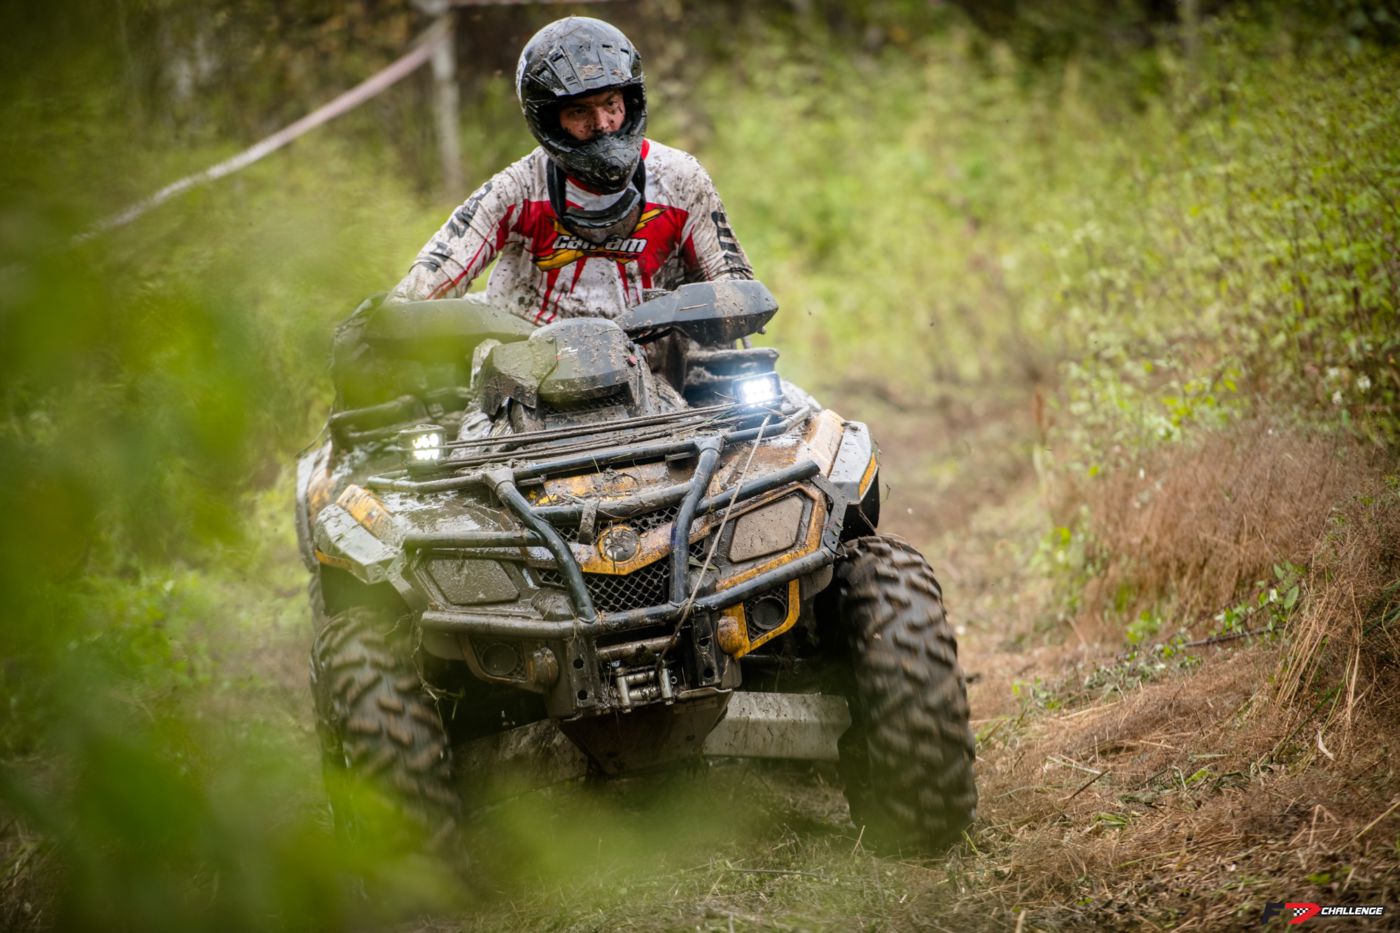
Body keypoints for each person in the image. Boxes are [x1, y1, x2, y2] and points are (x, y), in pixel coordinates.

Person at [389, 16, 754, 326]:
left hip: (658, 372)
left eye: (611, 103)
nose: (602, 123)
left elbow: (735, 287)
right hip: (526, 376)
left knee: (767, 388)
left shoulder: (680, 178)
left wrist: (726, 310)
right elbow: (434, 276)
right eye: (579, 111)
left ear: (630, 101)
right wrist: (390, 319)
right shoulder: (516, 190)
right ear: (549, 120)